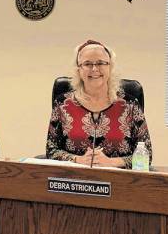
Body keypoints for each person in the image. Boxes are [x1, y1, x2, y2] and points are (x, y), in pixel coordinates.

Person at [46, 39, 151, 168]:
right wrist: (77, 159)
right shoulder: (62, 104)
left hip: (119, 181)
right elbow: (51, 150)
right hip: (73, 181)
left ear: (110, 67)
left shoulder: (130, 105)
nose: (94, 69)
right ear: (78, 69)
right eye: (87, 64)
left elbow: (147, 154)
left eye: (101, 63)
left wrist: (111, 162)